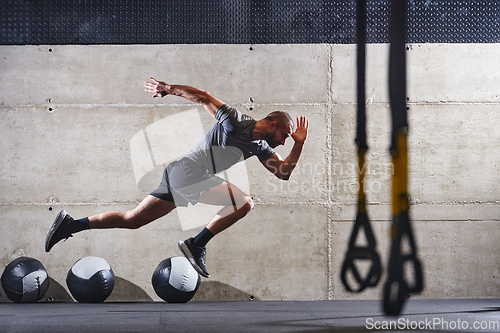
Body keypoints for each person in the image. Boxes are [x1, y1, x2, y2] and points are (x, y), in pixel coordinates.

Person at [45, 77, 309, 278]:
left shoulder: (261, 147)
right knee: (244, 203)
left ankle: (70, 225)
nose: (285, 142)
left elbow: (283, 173)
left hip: (181, 176)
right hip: (189, 172)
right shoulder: (236, 122)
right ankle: (196, 244)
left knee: (133, 219)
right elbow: (203, 97)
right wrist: (168, 88)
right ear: (273, 124)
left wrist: (299, 144)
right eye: (286, 135)